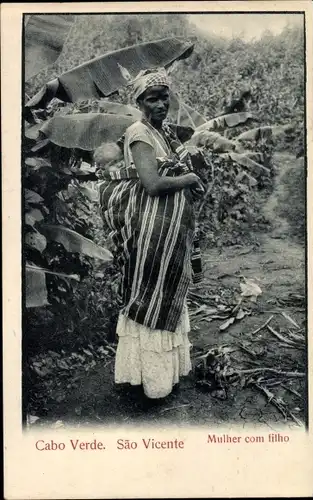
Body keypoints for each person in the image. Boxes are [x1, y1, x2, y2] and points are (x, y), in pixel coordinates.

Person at [99, 67, 205, 403]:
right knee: (151, 293)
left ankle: (163, 378)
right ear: (140, 102)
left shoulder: (164, 133)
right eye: (151, 99)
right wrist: (188, 179)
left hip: (169, 230)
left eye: (164, 97)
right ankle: (150, 383)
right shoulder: (139, 131)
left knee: (166, 290)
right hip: (152, 228)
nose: (160, 104)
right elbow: (153, 184)